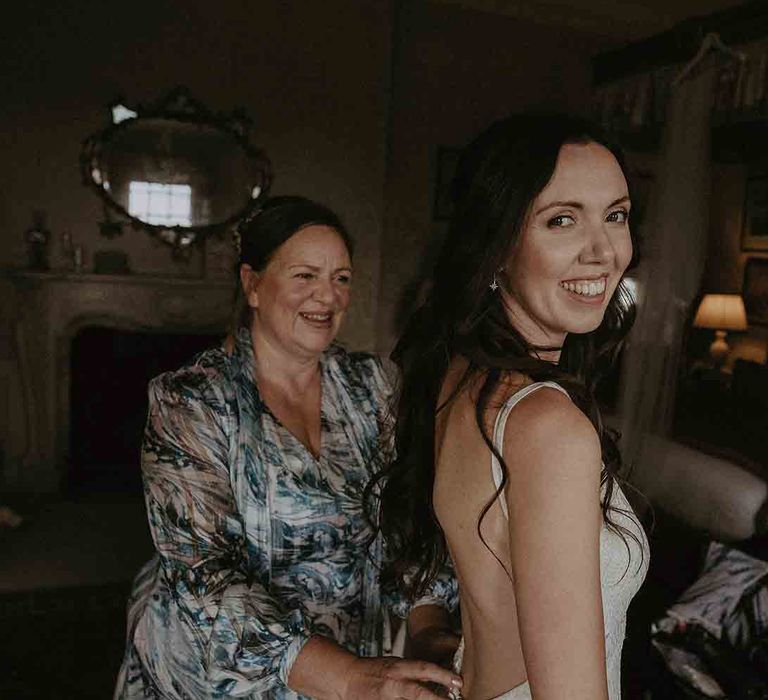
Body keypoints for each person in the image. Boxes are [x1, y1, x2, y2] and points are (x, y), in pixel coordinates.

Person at [114, 195, 462, 700]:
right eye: (305, 276)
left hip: (351, 662)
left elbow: (408, 520)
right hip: (220, 674)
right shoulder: (190, 400)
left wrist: (428, 629)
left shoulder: (375, 385)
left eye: (341, 278)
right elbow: (203, 574)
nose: (329, 296)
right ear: (252, 284)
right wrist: (348, 678)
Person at [374, 114, 650, 700]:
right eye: (562, 220)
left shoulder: (461, 378)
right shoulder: (547, 426)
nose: (603, 252)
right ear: (497, 246)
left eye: (616, 215)